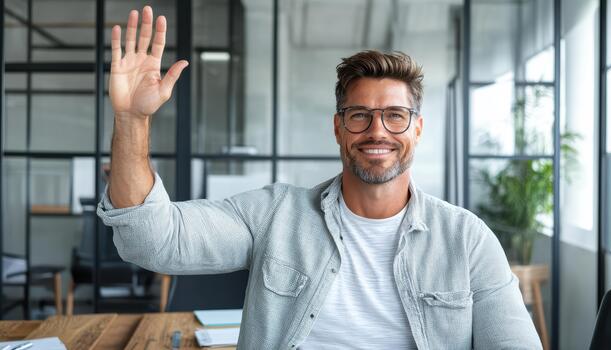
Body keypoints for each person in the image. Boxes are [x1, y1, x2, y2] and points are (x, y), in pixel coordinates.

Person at [98, 5, 542, 350]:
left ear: (418, 129)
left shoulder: (466, 239)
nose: (377, 131)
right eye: (359, 116)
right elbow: (151, 240)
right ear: (337, 127)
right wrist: (132, 119)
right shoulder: (275, 214)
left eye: (395, 116)